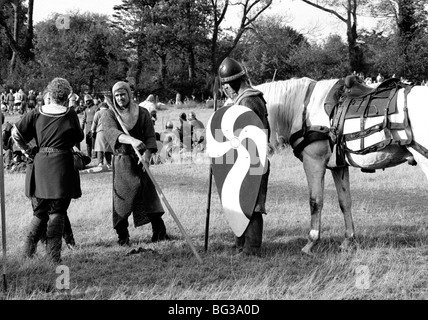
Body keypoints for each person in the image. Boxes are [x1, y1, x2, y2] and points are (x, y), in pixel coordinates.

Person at [11, 77, 84, 263]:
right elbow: (78, 137)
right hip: (62, 165)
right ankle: (53, 258)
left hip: (41, 163)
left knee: (40, 211)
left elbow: (15, 133)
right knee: (58, 210)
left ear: (50, 94)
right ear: (67, 96)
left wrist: (28, 151)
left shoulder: (36, 113)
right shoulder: (70, 114)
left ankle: (27, 254)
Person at [103, 81, 170, 246]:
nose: (120, 98)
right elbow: (112, 133)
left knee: (149, 197)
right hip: (122, 160)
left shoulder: (142, 112)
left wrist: (147, 155)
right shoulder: (109, 114)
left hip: (141, 161)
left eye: (122, 94)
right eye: (117, 95)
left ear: (129, 94)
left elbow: (149, 136)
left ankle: (160, 233)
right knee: (122, 200)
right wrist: (131, 140)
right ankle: (123, 238)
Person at [218, 57, 271, 256]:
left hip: (253, 159)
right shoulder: (245, 99)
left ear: (232, 85)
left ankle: (252, 248)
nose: (225, 91)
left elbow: (247, 133)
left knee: (252, 204)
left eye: (226, 87)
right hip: (245, 158)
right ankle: (241, 243)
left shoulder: (249, 100)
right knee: (239, 202)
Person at [91, 101, 113, 168]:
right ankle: (109, 163)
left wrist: (93, 130)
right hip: (109, 131)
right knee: (108, 148)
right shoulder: (110, 112)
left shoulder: (98, 113)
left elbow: (94, 123)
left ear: (100, 107)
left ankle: (100, 162)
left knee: (100, 148)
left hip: (100, 131)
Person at [81, 94, 97, 158]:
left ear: (91, 101)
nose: (87, 102)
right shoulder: (86, 109)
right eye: (86, 101)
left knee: (94, 141)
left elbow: (97, 118)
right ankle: (89, 155)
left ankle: (95, 155)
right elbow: (84, 118)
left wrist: (95, 127)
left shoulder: (95, 108)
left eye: (88, 101)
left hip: (94, 127)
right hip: (87, 127)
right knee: (88, 142)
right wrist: (82, 126)